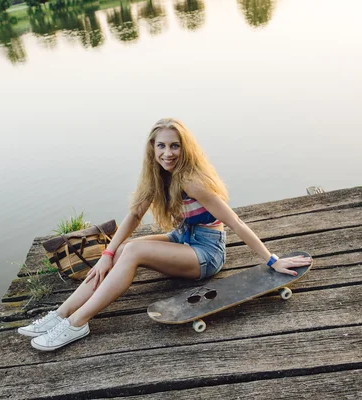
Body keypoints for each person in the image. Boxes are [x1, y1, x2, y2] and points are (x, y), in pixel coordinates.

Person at [18, 118, 312, 351]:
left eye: (175, 146)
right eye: (161, 146)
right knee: (123, 249)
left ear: (185, 149)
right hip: (182, 239)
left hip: (206, 254)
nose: (167, 153)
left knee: (133, 251)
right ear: (152, 148)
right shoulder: (156, 176)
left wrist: (272, 261)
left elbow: (234, 221)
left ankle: (78, 322)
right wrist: (107, 255)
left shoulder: (192, 181)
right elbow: (133, 217)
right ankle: (61, 314)